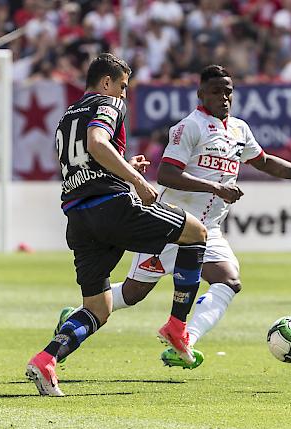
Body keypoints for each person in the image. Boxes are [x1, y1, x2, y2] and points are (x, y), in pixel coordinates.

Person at [56, 65, 291, 369]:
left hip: (207, 229)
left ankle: (184, 342)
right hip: (172, 224)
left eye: (228, 92)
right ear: (201, 94)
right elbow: (168, 174)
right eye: (215, 91)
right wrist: (216, 187)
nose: (223, 97)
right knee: (134, 293)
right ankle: (80, 314)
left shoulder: (239, 129)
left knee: (228, 280)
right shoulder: (190, 127)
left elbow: (266, 163)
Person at [25, 53, 208, 397]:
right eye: (122, 86)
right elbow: (97, 143)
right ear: (107, 82)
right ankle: (177, 326)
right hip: (113, 207)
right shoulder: (108, 103)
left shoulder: (67, 116)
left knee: (98, 308)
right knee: (196, 232)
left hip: (78, 219)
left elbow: (86, 158)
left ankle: (46, 359)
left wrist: (123, 164)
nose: (123, 94)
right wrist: (136, 180)